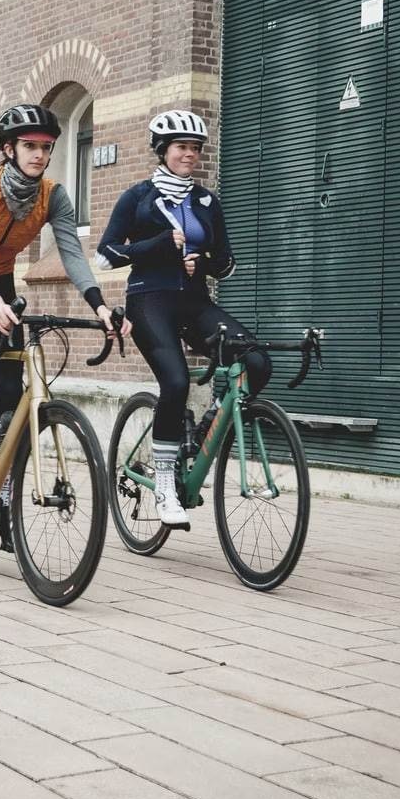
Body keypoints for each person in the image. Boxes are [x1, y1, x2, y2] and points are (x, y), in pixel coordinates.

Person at [0, 102, 128, 547]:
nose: (39, 154)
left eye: (46, 147)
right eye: (30, 146)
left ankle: (6, 504)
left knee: (15, 406)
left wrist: (100, 307)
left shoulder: (52, 195)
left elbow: (72, 253)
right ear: (9, 148)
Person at [97, 109, 271, 529]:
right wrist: (159, 244)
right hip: (149, 301)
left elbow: (227, 264)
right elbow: (106, 254)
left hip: (194, 302)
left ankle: (211, 421)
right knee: (174, 382)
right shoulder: (138, 197)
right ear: (163, 151)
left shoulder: (207, 201)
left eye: (195, 149)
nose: (189, 155)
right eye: (181, 148)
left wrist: (203, 262)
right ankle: (165, 483)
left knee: (257, 361)